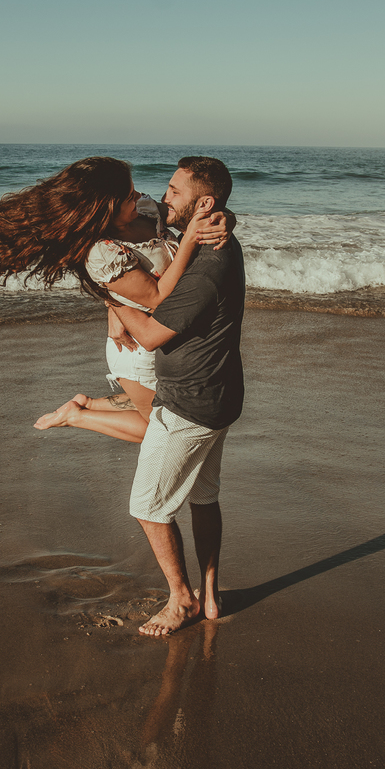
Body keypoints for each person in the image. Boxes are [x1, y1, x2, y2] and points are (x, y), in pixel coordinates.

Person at [0, 157, 231, 443]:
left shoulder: (141, 210)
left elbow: (195, 207)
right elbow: (156, 298)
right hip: (136, 350)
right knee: (155, 430)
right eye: (129, 196)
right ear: (107, 207)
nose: (140, 196)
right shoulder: (103, 253)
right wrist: (189, 242)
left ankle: (86, 403)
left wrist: (225, 217)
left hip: (158, 337)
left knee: (166, 412)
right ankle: (75, 416)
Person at [107, 156, 245, 637]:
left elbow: (148, 335)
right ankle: (209, 594)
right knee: (203, 497)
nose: (163, 198)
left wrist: (111, 303)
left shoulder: (206, 267)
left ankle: (181, 600)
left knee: (147, 507)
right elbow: (162, 221)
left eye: (174, 191)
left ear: (204, 204)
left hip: (190, 403)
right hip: (220, 394)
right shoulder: (216, 236)